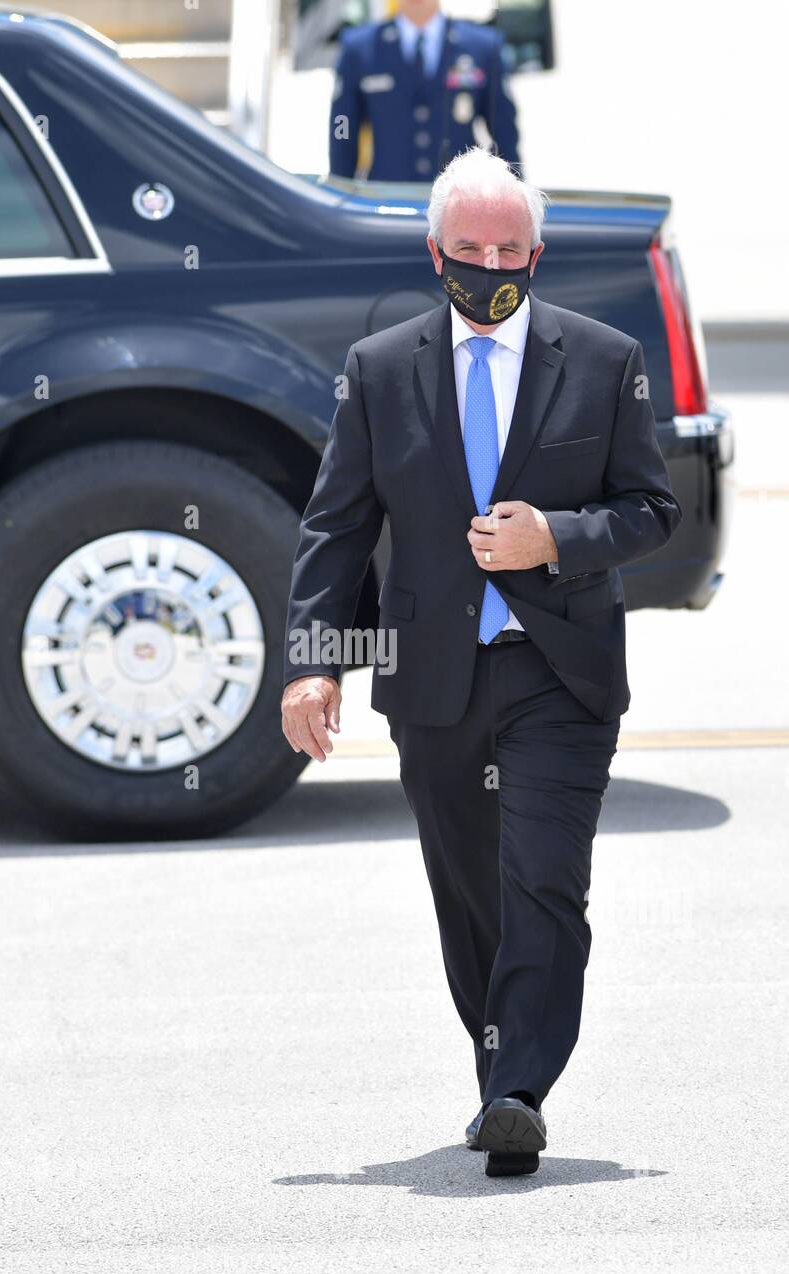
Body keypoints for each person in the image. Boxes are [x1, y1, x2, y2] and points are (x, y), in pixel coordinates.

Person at [280, 148, 682, 1177]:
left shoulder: (601, 360)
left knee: (543, 877)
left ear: (536, 253)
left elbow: (650, 509)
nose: (489, 264)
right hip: (433, 680)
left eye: (508, 248)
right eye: (469, 249)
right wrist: (315, 663)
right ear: (434, 253)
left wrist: (555, 536)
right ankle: (494, 1062)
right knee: (470, 892)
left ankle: (517, 1091)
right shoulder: (377, 371)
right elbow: (335, 527)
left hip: (560, 672)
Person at [329, 0, 521, 181]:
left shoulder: (482, 46)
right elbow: (343, 123)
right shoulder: (359, 48)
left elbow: (504, 129)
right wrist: (339, 189)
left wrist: (514, 193)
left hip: (457, 202)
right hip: (386, 200)